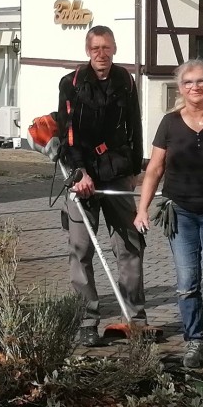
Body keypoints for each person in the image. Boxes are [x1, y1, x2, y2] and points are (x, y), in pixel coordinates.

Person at [135, 60, 203, 368]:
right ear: (180, 88)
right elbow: (154, 169)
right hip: (180, 213)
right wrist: (142, 209)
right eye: (188, 82)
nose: (195, 87)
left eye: (200, 81)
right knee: (187, 282)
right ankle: (195, 341)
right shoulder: (169, 123)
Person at [56, 25, 147, 346]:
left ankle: (134, 316)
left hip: (118, 171)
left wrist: (137, 167)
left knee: (129, 245)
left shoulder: (125, 81)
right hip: (82, 177)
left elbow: (134, 123)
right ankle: (87, 320)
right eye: (96, 48)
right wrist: (79, 172)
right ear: (87, 50)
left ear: (115, 49)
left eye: (107, 48)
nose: (102, 54)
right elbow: (67, 134)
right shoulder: (72, 84)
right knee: (80, 249)